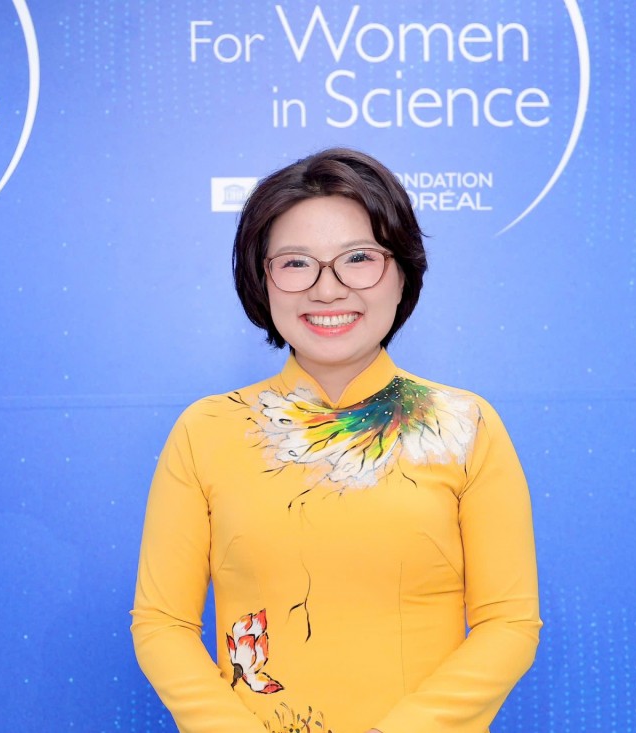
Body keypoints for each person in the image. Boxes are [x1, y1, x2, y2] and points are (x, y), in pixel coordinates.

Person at [130, 148, 541, 733]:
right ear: (262, 280)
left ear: (403, 272)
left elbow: (509, 623)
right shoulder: (207, 429)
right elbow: (162, 624)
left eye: (358, 258)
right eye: (296, 263)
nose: (328, 290)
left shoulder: (463, 426)